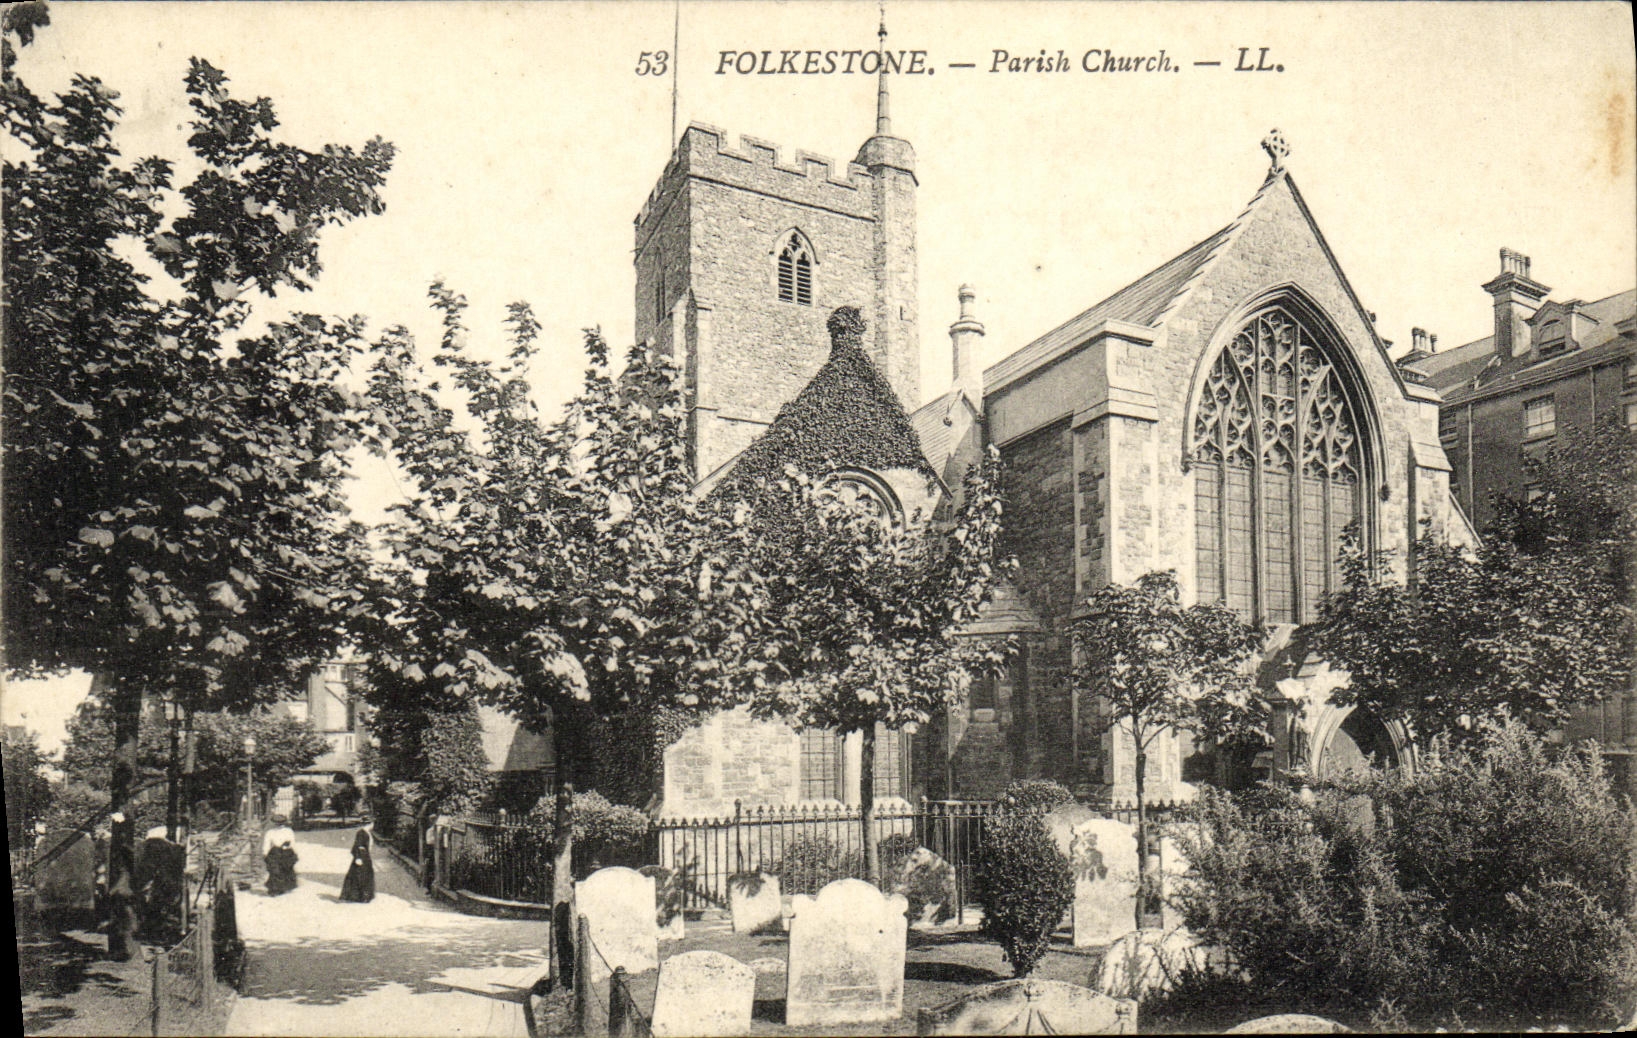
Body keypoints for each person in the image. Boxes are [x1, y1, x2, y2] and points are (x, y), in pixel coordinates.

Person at [262, 814, 298, 896]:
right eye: (278, 823)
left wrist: (294, 852)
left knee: (284, 869)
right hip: (276, 852)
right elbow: (267, 844)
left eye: (280, 823)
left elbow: (292, 843)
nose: (279, 825)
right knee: (275, 870)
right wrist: (265, 853)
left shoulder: (288, 831)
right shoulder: (270, 832)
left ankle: (282, 887)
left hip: (285, 852)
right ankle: (275, 889)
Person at [339, 829, 375, 903]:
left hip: (366, 857)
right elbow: (357, 846)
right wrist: (358, 857)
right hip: (362, 857)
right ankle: (356, 896)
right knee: (358, 876)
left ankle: (364, 896)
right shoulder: (361, 833)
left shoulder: (367, 832)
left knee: (364, 876)